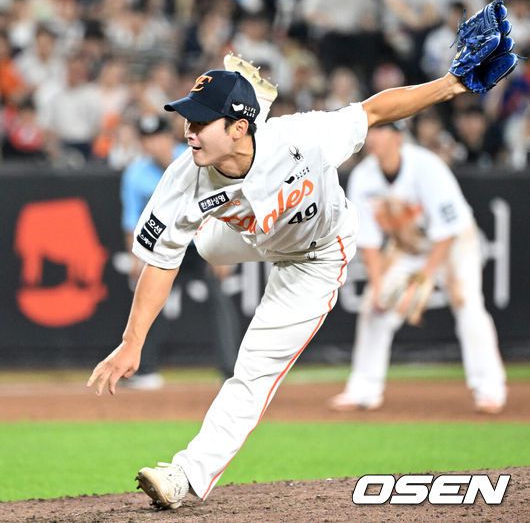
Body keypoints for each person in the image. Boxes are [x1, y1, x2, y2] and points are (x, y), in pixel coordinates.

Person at [87, 45, 507, 509]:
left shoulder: (304, 137)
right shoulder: (182, 178)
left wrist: (450, 85)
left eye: (202, 122)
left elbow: (374, 110)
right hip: (251, 235)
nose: (189, 131)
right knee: (202, 244)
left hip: (317, 255)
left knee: (254, 370)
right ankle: (250, 105)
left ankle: (184, 475)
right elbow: (161, 263)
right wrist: (132, 341)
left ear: (239, 127)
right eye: (187, 120)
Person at [328, 122, 507, 415]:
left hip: (454, 245)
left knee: (467, 304)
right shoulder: (363, 176)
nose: (373, 137)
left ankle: (490, 389)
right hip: (408, 248)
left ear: (398, 137)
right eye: (372, 130)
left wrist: (425, 278)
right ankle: (363, 390)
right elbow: (369, 241)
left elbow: (447, 231)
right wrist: (377, 287)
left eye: (381, 130)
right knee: (373, 308)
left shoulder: (427, 167)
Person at [120, 112, 243, 387]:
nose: (153, 144)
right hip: (165, 246)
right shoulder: (135, 173)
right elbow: (132, 220)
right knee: (148, 300)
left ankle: (231, 371)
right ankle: (143, 370)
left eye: (158, 137)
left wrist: (223, 251)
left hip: (201, 243)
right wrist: (135, 256)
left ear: (169, 137)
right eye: (147, 139)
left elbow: (220, 202)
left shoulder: (196, 157)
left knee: (218, 299)